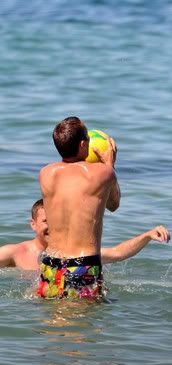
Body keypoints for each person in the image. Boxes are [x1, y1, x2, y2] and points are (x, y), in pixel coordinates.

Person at [38, 116, 120, 299]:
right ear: (83, 145)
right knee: (81, 325)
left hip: (51, 264)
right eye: (89, 141)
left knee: (53, 322)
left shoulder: (45, 174)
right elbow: (114, 205)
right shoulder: (102, 173)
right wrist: (110, 165)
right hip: (83, 265)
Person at [0, 200, 171, 271]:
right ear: (33, 224)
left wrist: (147, 235)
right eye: (46, 221)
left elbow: (118, 252)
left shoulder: (75, 250)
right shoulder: (16, 253)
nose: (52, 226)